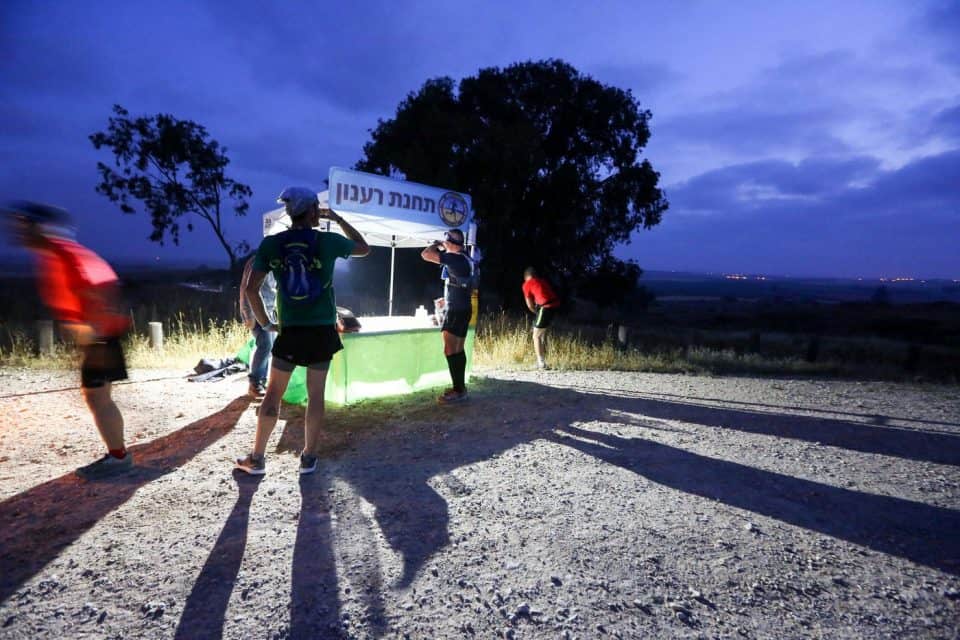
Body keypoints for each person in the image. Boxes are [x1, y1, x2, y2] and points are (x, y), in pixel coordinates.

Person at [235, 187, 369, 476]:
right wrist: (337, 218)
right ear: (312, 211)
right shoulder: (328, 241)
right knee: (315, 395)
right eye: (317, 208)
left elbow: (251, 289)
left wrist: (266, 323)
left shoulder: (273, 244)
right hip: (322, 330)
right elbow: (363, 246)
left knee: (273, 394)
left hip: (291, 332)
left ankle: (257, 459)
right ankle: (308, 458)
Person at [4, 201, 133, 478]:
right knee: (99, 397)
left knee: (98, 398)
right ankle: (118, 454)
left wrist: (93, 329)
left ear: (38, 227)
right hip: (102, 332)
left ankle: (119, 458)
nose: (19, 231)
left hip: (100, 334)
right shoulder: (63, 251)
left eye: (24, 225)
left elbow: (95, 289)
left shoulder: (63, 253)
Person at [421, 228, 474, 404]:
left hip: (456, 311)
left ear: (450, 242)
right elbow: (461, 283)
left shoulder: (454, 258)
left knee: (450, 350)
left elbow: (426, 254)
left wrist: (436, 244)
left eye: (446, 240)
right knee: (458, 349)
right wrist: (448, 298)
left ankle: (458, 390)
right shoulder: (466, 258)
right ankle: (461, 388)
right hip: (464, 308)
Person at [238, 254, 277, 397]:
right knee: (265, 345)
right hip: (257, 311)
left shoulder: (276, 261)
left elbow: (272, 289)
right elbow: (246, 289)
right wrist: (247, 314)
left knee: (269, 347)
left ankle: (261, 381)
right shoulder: (258, 261)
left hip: (269, 310)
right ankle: (255, 383)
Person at [522, 266, 561, 370]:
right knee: (542, 334)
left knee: (536, 335)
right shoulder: (542, 281)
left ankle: (541, 363)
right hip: (555, 306)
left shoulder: (526, 284)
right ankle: (542, 360)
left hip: (545, 307)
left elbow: (529, 305)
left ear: (526, 277)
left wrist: (536, 312)